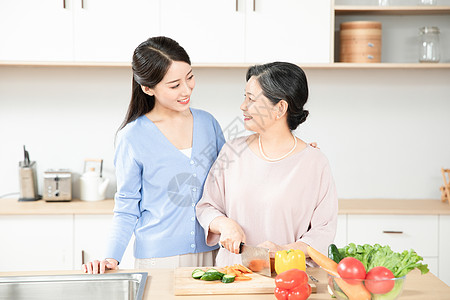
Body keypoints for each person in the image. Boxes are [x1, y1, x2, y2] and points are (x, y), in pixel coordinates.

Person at [83, 36, 225, 274]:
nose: (186, 89)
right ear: (148, 88)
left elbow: (234, 179)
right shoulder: (133, 137)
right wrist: (112, 257)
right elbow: (127, 205)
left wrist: (298, 152)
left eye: (190, 77)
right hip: (160, 260)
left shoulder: (208, 123)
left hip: (214, 253)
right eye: (174, 85)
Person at [196, 62, 338, 267]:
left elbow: (323, 231)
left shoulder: (315, 163)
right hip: (233, 277)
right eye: (244, 97)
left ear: (280, 108)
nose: (243, 106)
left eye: (251, 99)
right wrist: (225, 225)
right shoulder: (232, 151)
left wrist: (284, 250)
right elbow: (207, 206)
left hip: (289, 279)